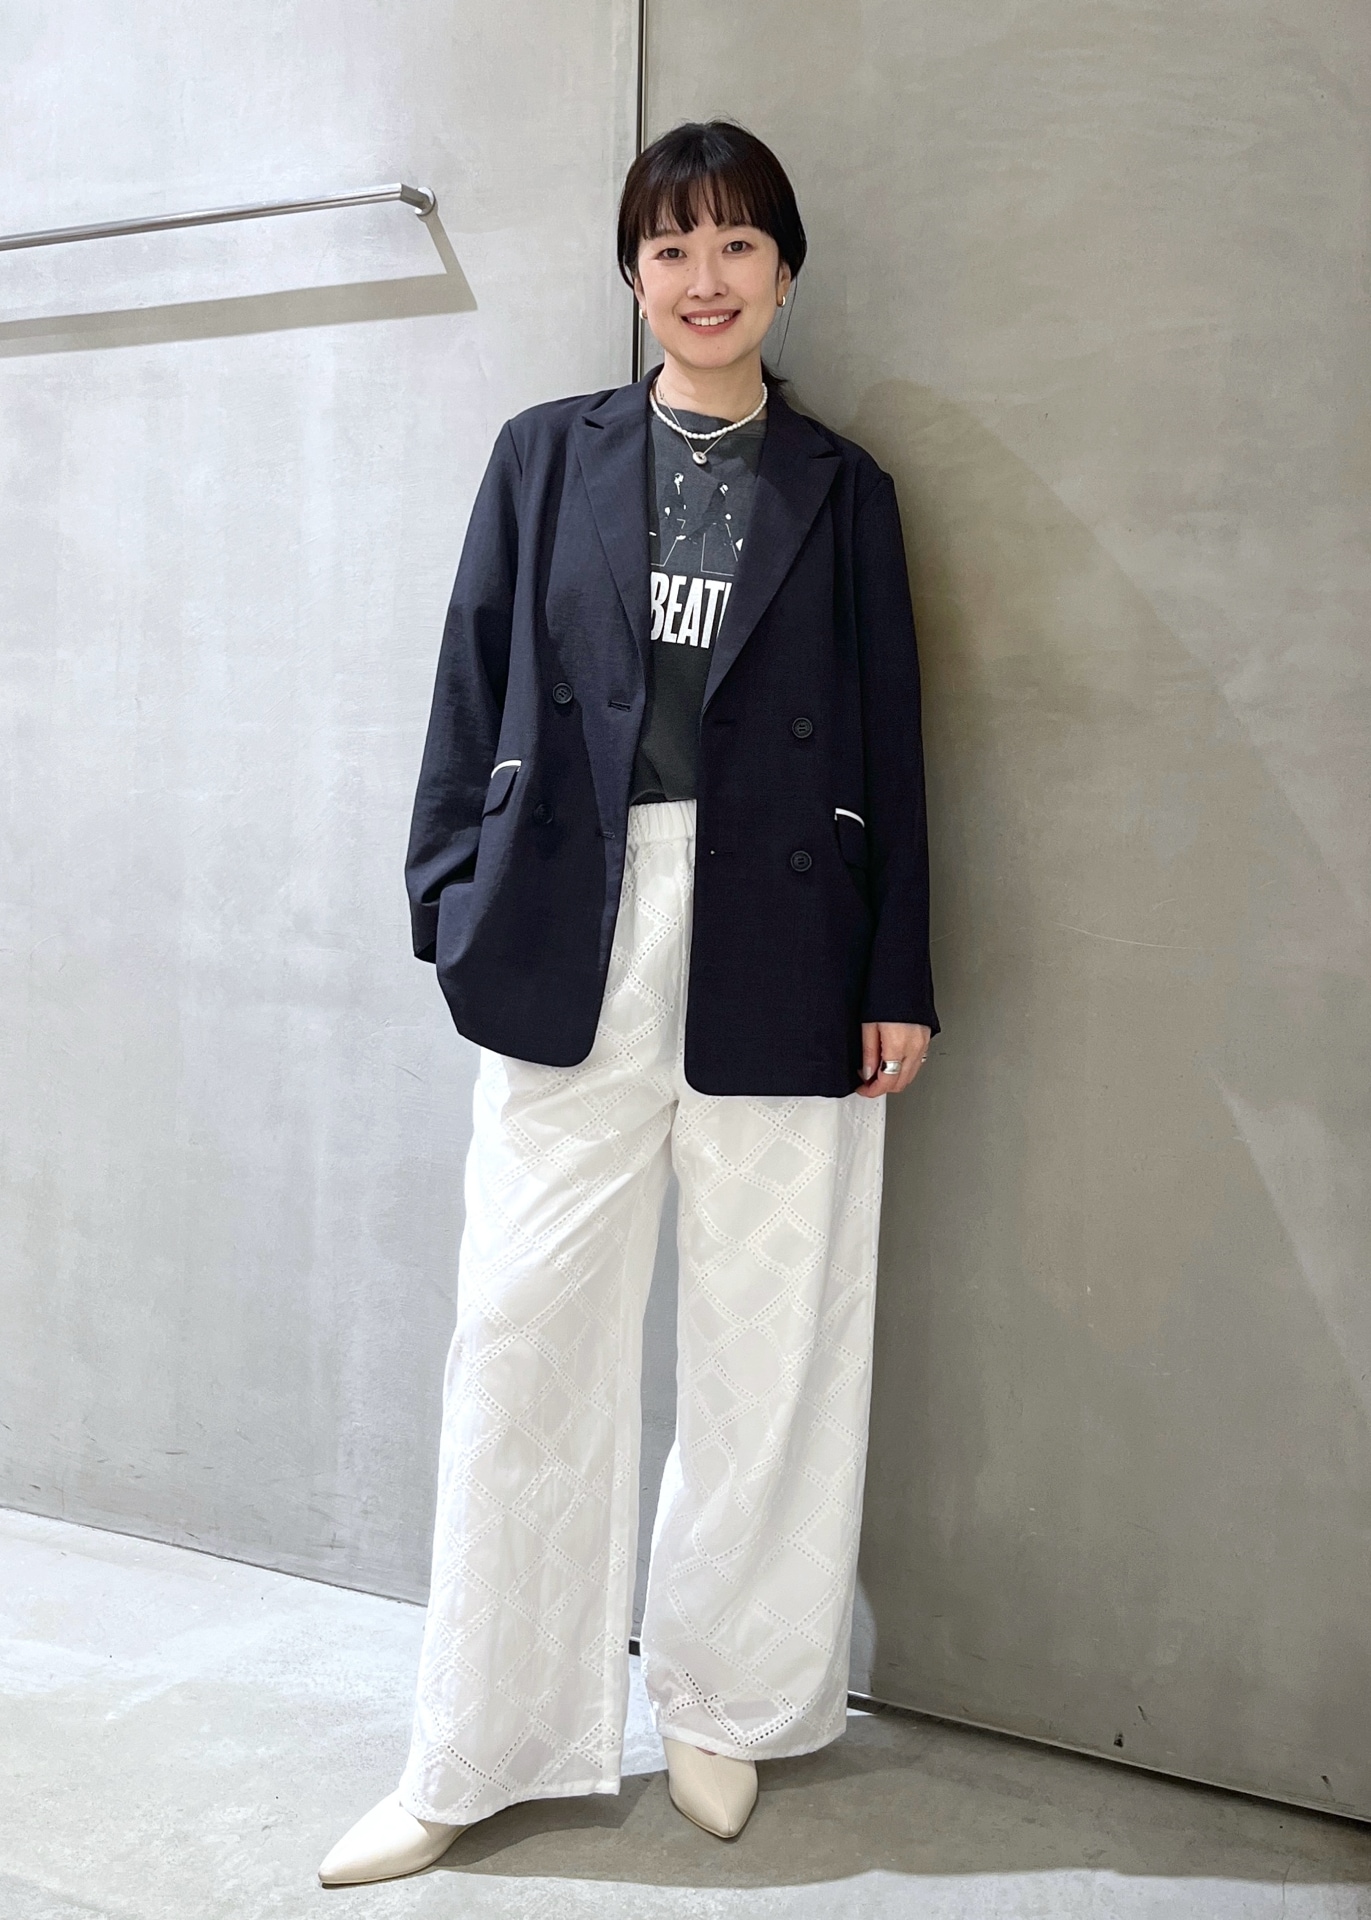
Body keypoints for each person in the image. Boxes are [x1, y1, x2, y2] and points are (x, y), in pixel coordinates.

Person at [318, 118, 939, 1888]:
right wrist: (449, 900)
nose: (705, 278)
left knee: (768, 1344)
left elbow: (894, 742)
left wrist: (898, 974)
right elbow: (467, 683)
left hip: (785, 938)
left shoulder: (845, 489)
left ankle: (727, 1706)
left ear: (786, 273)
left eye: (738, 244)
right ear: (631, 274)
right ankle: (483, 1741)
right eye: (673, 247)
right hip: (568, 926)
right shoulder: (546, 456)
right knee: (523, 1336)